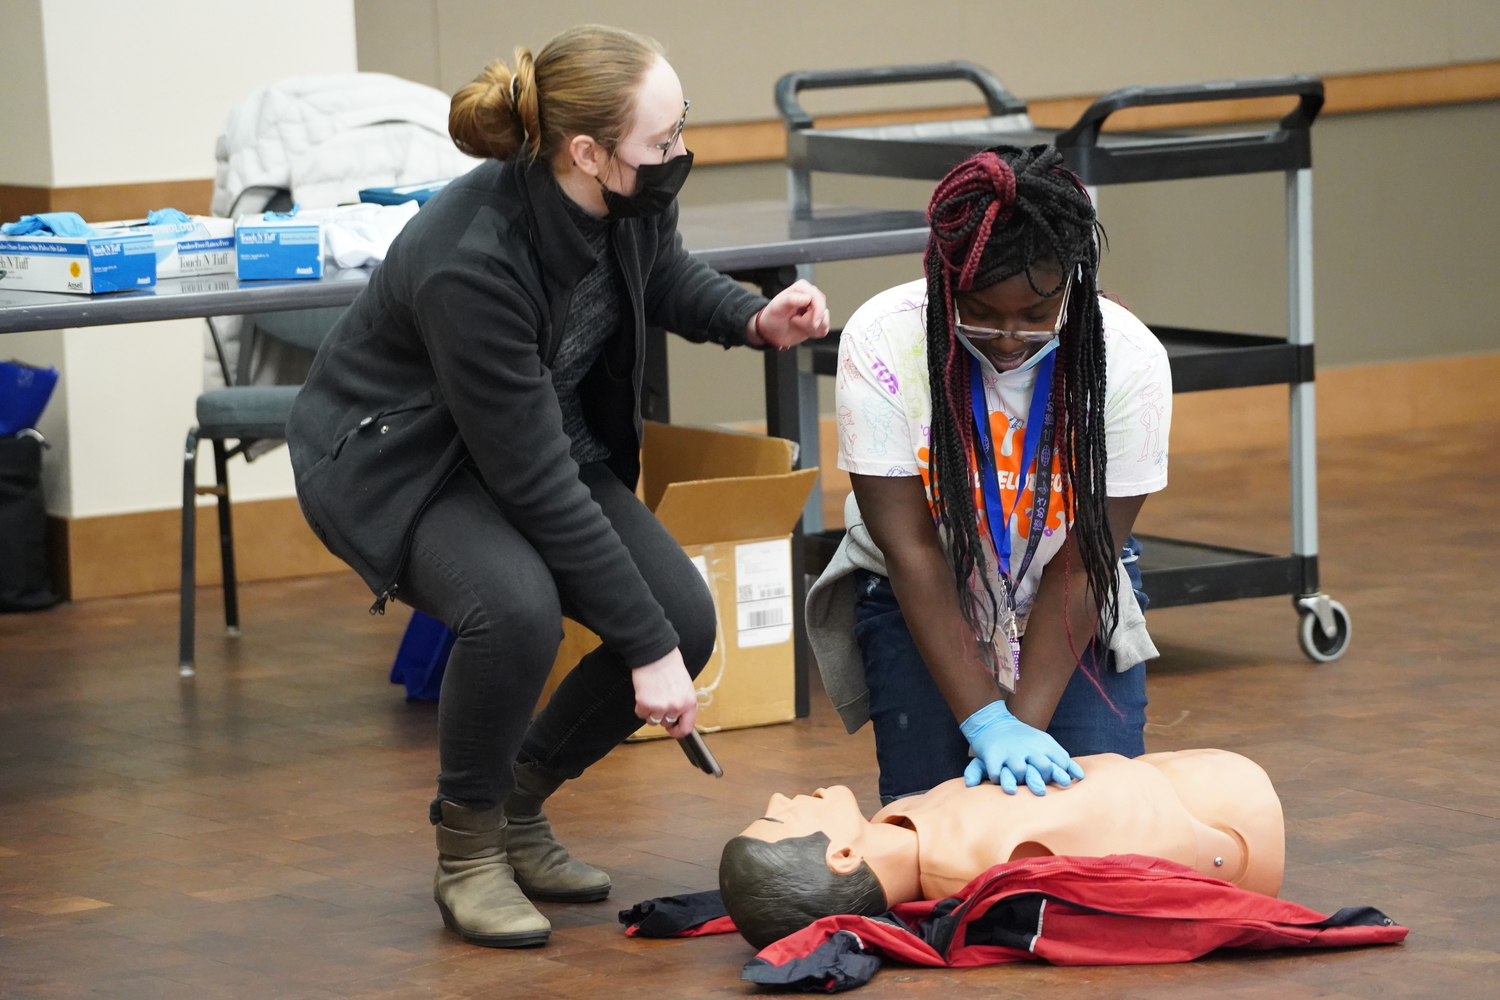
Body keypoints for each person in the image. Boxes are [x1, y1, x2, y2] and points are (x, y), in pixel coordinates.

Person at [286, 25, 830, 949]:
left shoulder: (626, 198)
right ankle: (466, 851)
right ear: (587, 152)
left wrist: (752, 318)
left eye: (680, 130)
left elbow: (661, 277)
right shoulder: (473, 259)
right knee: (517, 610)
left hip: (529, 445)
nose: (680, 156)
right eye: (662, 143)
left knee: (683, 618)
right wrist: (646, 653)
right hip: (398, 463)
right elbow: (531, 482)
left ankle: (516, 809)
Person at [807, 144, 1172, 805]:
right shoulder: (885, 341)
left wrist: (1020, 730)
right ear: (945, 283)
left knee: (1095, 823)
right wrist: (985, 722)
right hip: (923, 584)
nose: (1008, 337)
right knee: (933, 826)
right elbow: (910, 547)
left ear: (1071, 286)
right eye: (982, 310)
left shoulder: (1129, 360)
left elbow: (1089, 559)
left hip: (1071, 581)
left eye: (1036, 316)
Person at [720, 749, 1284, 948]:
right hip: (1233, 821)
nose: (779, 796)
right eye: (778, 817)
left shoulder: (911, 826)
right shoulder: (975, 858)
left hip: (1206, 798)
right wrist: (1222, 850)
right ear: (842, 855)